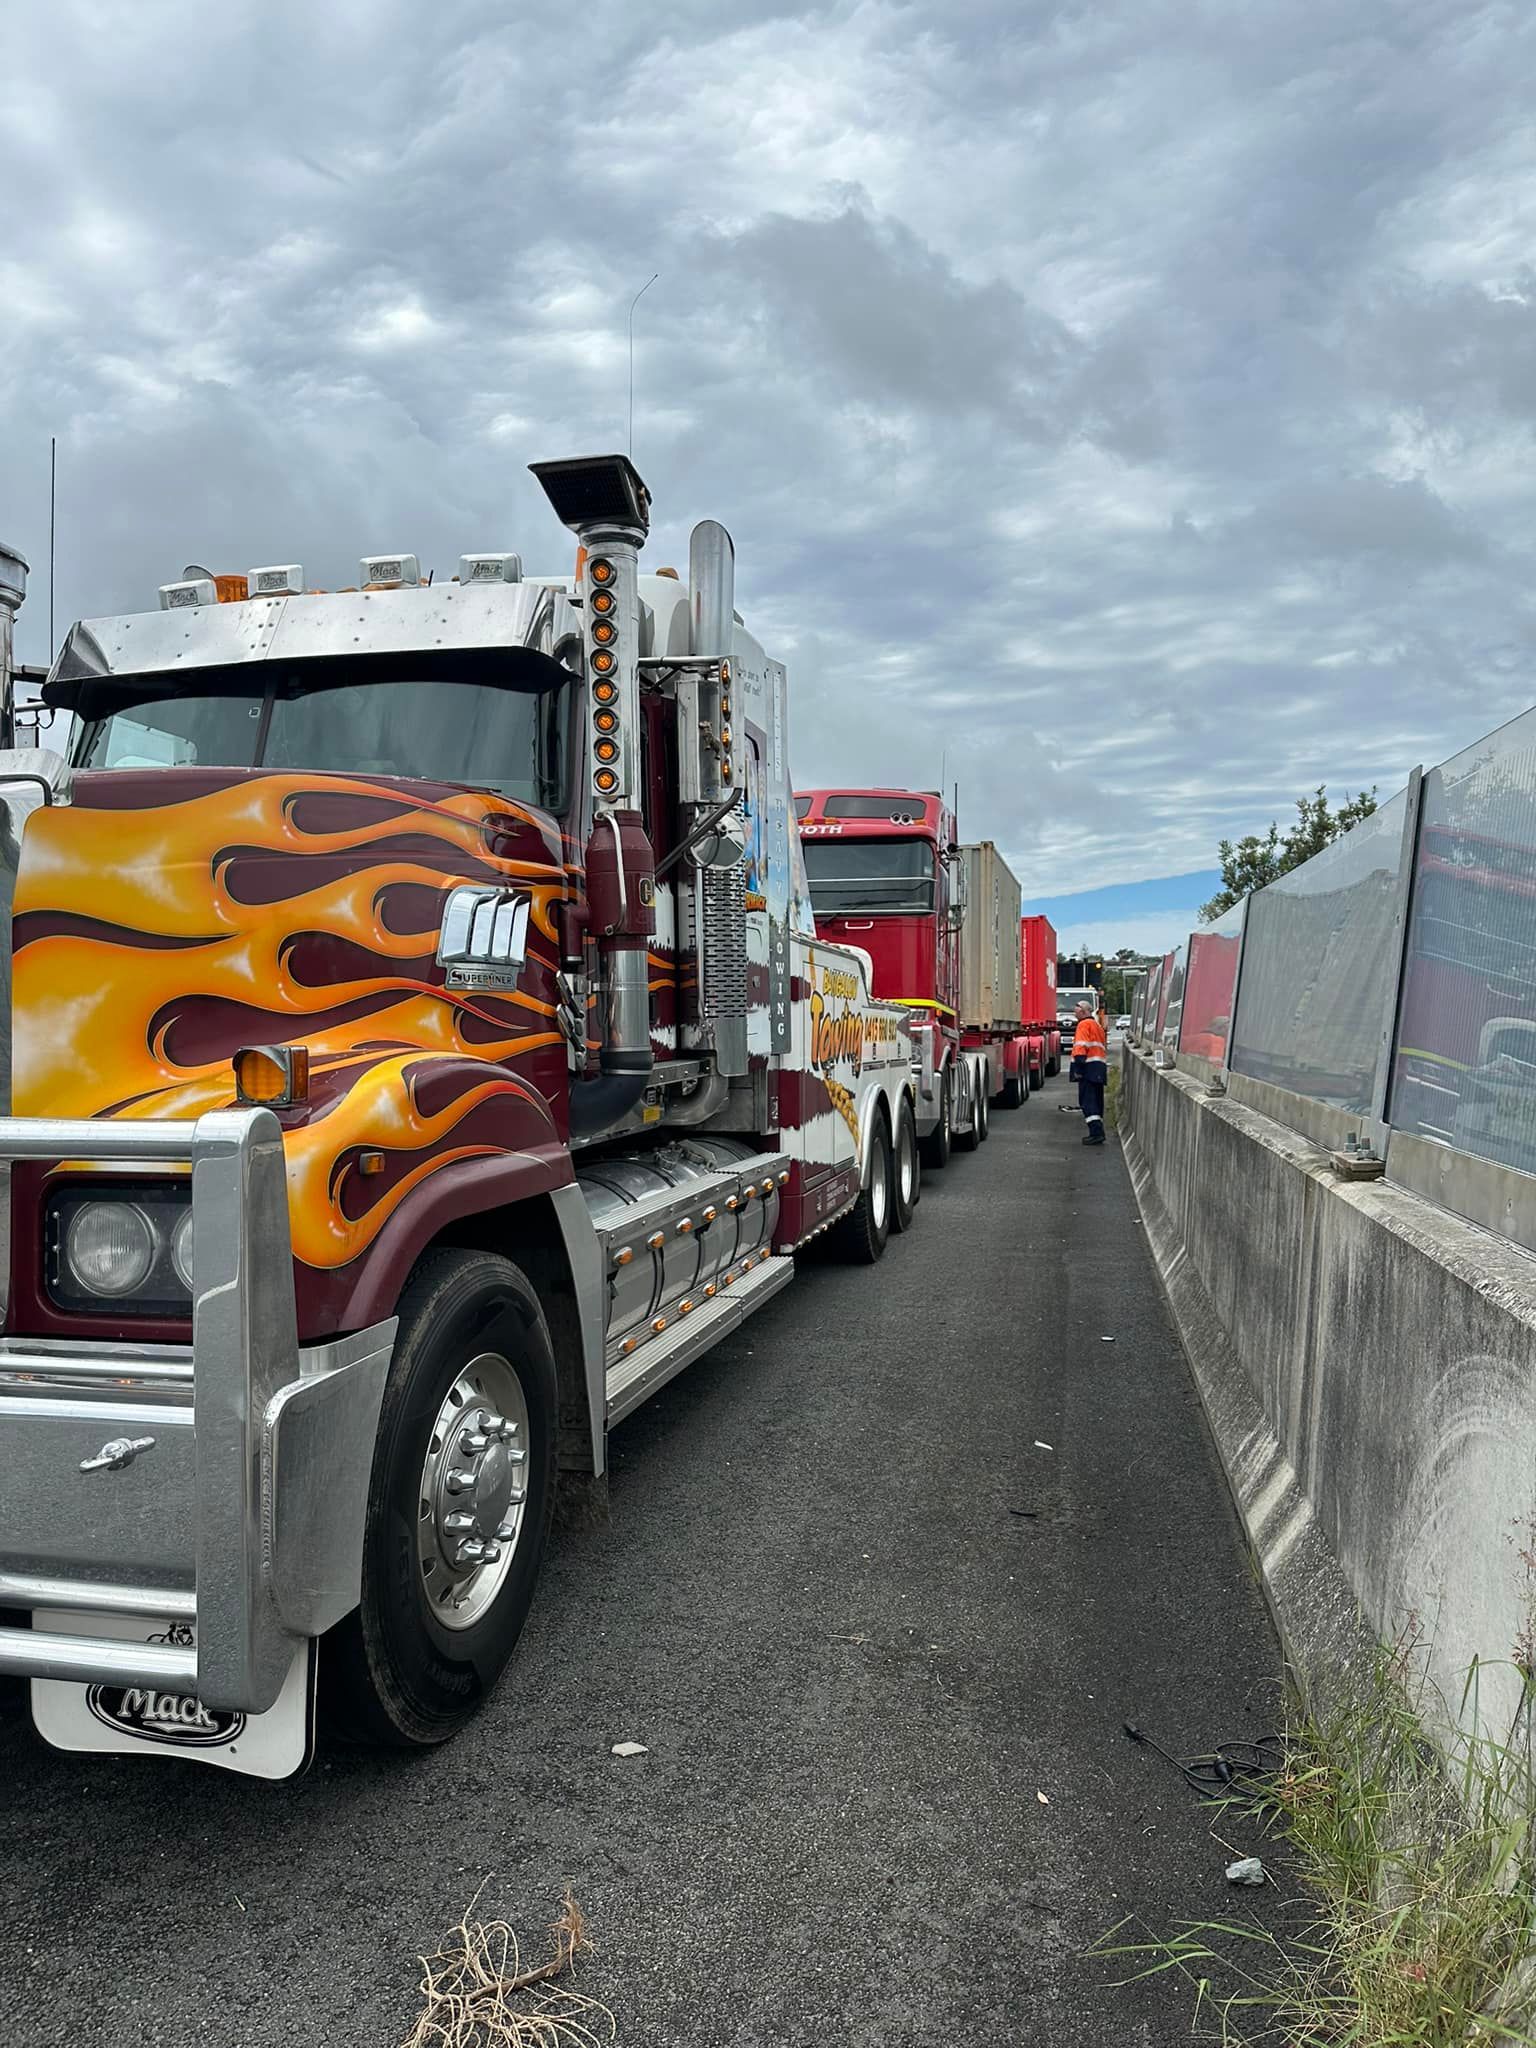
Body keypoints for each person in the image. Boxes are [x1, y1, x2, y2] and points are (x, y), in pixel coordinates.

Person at [1069, 999, 1108, 1145]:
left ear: (1084, 1011)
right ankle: (1098, 1131)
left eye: (1077, 1008)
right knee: (1097, 1101)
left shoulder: (1083, 1025)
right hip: (1098, 1068)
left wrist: (1078, 1069)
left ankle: (1096, 1132)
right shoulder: (1096, 1026)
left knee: (1087, 1101)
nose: (1074, 1011)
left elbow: (1080, 1047)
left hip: (1087, 1068)